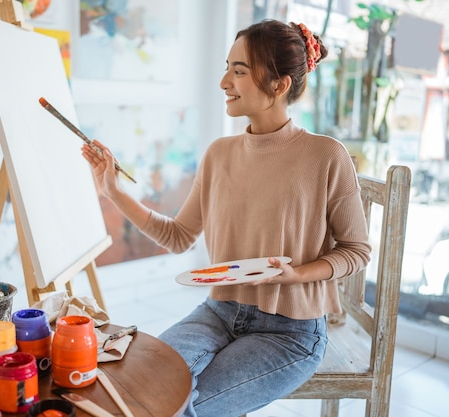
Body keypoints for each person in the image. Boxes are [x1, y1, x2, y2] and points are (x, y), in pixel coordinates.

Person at [82, 19, 371, 417]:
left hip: (290, 331)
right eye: (227, 68)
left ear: (279, 84)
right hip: (219, 311)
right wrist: (113, 191)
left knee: (175, 406)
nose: (224, 82)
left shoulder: (325, 156)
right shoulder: (219, 153)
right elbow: (179, 235)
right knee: (135, 385)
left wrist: (297, 275)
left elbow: (356, 251)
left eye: (239, 71)